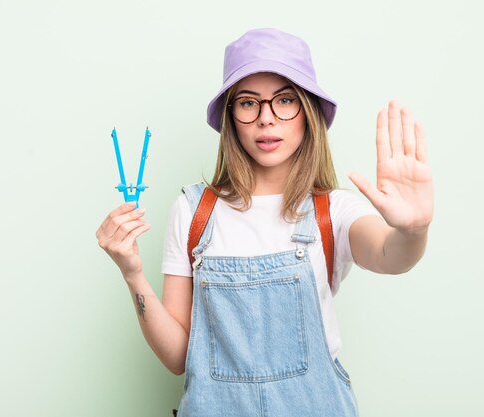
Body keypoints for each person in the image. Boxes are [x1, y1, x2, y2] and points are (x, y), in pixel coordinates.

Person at [96, 28, 434, 417]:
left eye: (285, 100)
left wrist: (413, 230)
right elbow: (178, 357)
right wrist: (132, 273)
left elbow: (390, 255)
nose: (266, 119)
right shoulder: (193, 212)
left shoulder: (333, 211)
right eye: (248, 103)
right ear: (231, 117)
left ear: (307, 113)